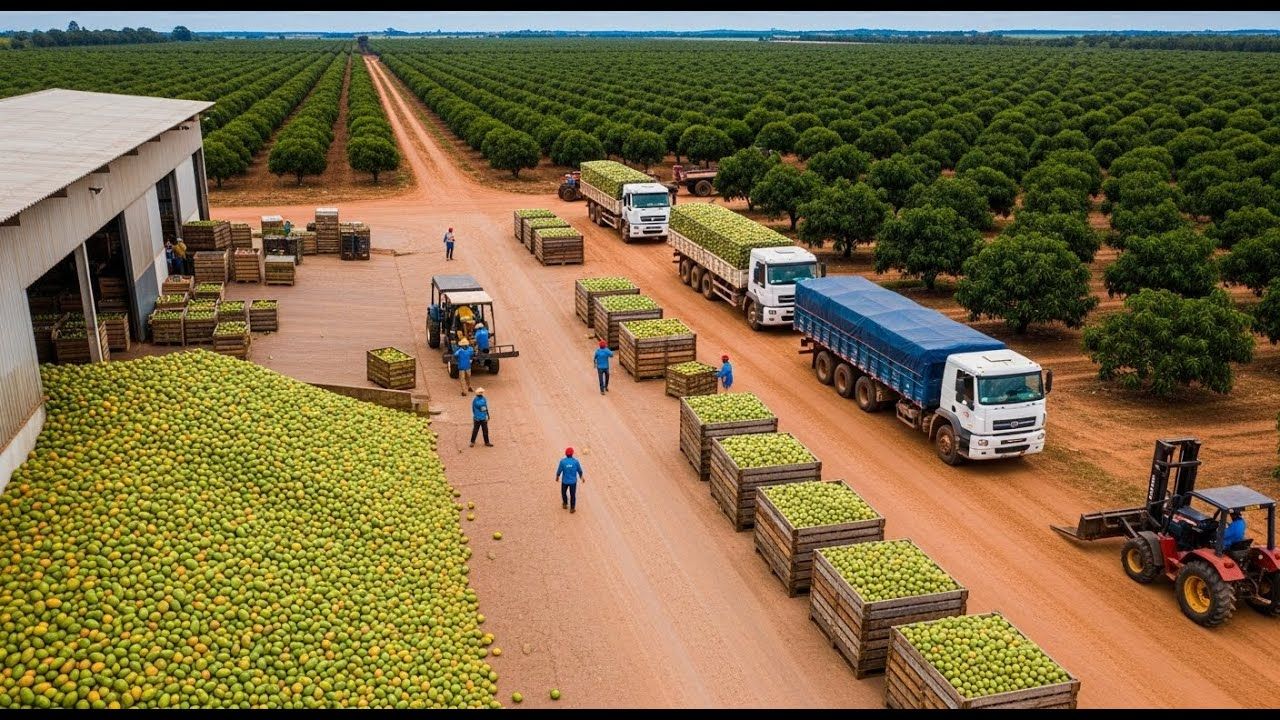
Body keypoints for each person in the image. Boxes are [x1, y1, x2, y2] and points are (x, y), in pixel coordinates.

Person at [556, 447, 584, 513]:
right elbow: (580, 471)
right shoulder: (576, 462)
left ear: (565, 454)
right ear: (572, 453)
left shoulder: (562, 462)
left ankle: (565, 503)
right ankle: (572, 508)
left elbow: (559, 471)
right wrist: (582, 478)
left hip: (564, 481)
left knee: (563, 492)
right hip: (573, 482)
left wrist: (557, 477)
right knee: (573, 495)